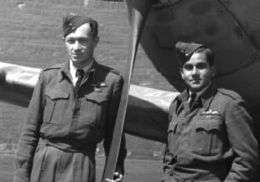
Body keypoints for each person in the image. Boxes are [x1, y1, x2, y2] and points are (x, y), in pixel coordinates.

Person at [14, 14, 126, 182]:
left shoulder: (111, 81)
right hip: (45, 161)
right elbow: (30, 131)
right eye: (70, 41)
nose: (76, 47)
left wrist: (115, 169)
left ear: (95, 41)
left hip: (81, 164)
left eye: (83, 41)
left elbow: (114, 135)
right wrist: (21, 175)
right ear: (64, 41)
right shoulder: (49, 77)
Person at [162, 41, 258, 182]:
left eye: (200, 66)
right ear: (182, 73)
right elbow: (169, 155)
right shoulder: (177, 105)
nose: (194, 73)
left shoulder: (229, 103)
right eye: (188, 67)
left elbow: (247, 159)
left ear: (212, 70)